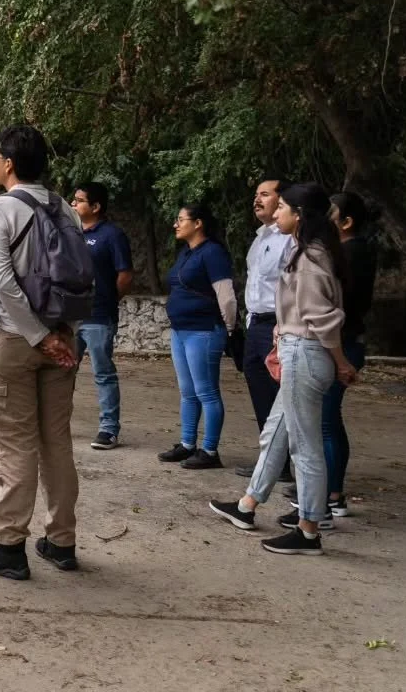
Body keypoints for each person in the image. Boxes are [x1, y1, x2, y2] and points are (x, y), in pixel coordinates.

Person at [209, 183, 354, 556]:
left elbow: (321, 317)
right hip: (300, 350)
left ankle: (309, 529)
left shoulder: (310, 257)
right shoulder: (310, 252)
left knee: (304, 447)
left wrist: (340, 362)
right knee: (275, 433)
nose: (276, 214)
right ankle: (247, 505)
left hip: (305, 352)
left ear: (299, 215)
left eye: (282, 208)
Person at [0, 125, 84, 580]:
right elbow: (79, 280)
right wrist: (62, 335)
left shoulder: (0, 208)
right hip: (61, 339)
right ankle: (62, 541)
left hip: (15, 341)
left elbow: (4, 281)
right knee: (56, 442)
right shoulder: (66, 210)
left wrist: (37, 335)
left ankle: (9, 546)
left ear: (9, 163)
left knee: (15, 443)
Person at [158, 202, 237, 470]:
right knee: (188, 392)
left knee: (207, 392)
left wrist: (229, 329)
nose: (176, 224)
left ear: (198, 223)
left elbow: (226, 295)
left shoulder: (212, 252)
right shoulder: (187, 253)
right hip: (181, 330)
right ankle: (187, 444)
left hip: (203, 330)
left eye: (181, 219)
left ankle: (210, 450)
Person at [319, 191, 377, 518]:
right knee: (327, 419)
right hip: (340, 342)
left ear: (346, 222)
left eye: (330, 213)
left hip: (343, 344)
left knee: (327, 420)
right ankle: (327, 488)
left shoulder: (353, 254)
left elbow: (339, 305)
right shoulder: (346, 252)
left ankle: (332, 494)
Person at [236, 179, 294, 480]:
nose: (256, 200)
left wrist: (283, 325)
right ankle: (273, 463)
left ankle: (291, 466)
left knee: (281, 397)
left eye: (265, 195)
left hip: (277, 325)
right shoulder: (260, 238)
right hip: (256, 324)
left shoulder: (291, 240)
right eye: (255, 195)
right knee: (261, 396)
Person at [71, 183, 133, 450]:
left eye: (79, 200)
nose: (73, 204)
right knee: (62, 372)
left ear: (95, 207)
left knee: (103, 373)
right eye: (73, 200)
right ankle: (56, 422)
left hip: (98, 316)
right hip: (70, 316)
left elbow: (125, 275)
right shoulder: (70, 232)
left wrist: (108, 299)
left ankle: (108, 429)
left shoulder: (112, 235)